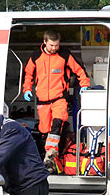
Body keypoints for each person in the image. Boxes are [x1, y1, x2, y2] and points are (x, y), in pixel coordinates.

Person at [22, 29, 91, 171]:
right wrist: (27, 89)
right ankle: (50, 161)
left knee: (57, 122)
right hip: (43, 100)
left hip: (59, 98)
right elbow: (28, 74)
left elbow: (79, 70)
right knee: (45, 130)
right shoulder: (36, 56)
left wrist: (84, 85)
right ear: (45, 42)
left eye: (57, 45)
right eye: (52, 45)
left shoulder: (64, 55)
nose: (54, 48)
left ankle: (51, 153)